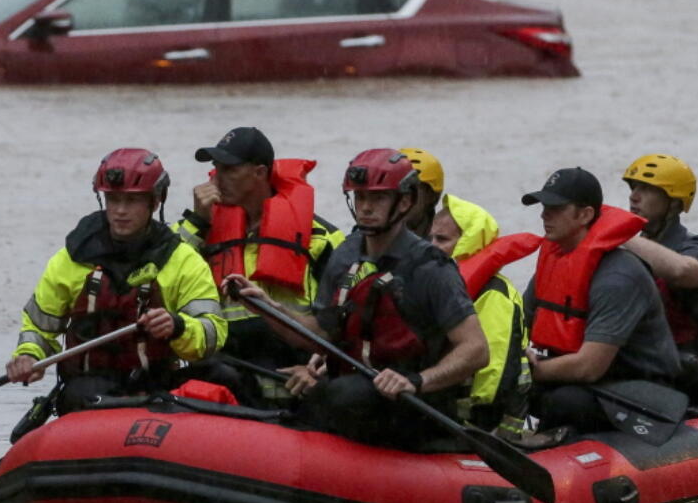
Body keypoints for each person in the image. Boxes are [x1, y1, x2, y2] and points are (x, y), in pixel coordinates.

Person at [227, 148, 488, 449]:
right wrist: (267, 307)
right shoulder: (346, 256)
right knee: (319, 392)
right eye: (360, 197)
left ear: (404, 202)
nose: (365, 207)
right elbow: (319, 334)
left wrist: (417, 381)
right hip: (354, 395)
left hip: (413, 404)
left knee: (342, 395)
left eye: (377, 198)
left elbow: (476, 349)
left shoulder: (431, 268)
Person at [6, 148, 228, 416]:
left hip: (158, 385)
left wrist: (178, 326)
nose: (121, 211)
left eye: (132, 201)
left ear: (155, 202)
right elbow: (39, 328)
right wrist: (29, 355)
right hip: (89, 389)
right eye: (113, 199)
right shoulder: (71, 260)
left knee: (222, 375)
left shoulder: (181, 260)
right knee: (83, 394)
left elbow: (211, 331)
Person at [174, 126, 344, 405]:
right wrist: (197, 222)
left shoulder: (320, 239)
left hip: (292, 380)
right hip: (227, 377)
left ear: (260, 172)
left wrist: (318, 368)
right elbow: (161, 274)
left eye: (229, 169)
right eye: (216, 168)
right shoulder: (199, 229)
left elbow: (343, 322)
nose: (217, 178)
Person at [521, 167, 682, 434]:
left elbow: (588, 367)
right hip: (581, 379)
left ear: (585, 215)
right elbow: (516, 328)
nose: (544, 214)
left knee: (561, 402)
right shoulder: (553, 266)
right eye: (543, 206)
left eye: (556, 207)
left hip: (641, 390)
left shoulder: (619, 276)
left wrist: (524, 373)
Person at [621, 154, 698, 406]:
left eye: (647, 189)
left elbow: (685, 272)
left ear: (674, 203)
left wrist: (621, 236)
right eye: (634, 188)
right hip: (645, 369)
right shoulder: (628, 251)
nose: (634, 196)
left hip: (697, 377)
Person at [428, 194, 532, 439]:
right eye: (430, 237)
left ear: (468, 242)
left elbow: (492, 376)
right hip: (446, 400)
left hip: (485, 421)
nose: (431, 246)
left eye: (442, 239)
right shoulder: (439, 285)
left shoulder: (494, 293)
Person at [399, 147, 445, 239]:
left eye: (409, 190)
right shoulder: (367, 241)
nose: (400, 198)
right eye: (392, 191)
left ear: (431, 196)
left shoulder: (445, 244)